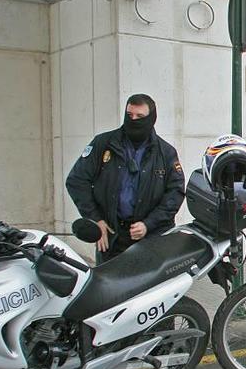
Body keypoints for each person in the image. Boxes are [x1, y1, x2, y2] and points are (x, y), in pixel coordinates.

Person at [66, 94, 185, 263]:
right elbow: (76, 181)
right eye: (130, 115)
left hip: (150, 239)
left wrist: (148, 224)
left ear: (151, 119)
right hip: (112, 237)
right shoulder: (103, 144)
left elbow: (175, 193)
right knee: (109, 287)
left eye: (140, 117)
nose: (134, 120)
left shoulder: (165, 153)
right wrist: (96, 219)